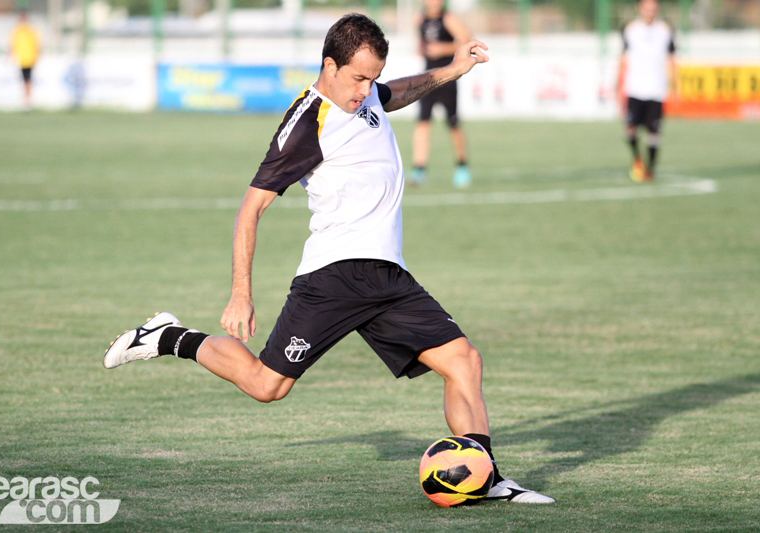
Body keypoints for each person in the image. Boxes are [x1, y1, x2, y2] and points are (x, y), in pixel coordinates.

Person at [103, 13, 554, 504]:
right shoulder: (307, 121)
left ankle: (483, 476)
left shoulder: (366, 94)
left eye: (372, 77)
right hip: (333, 277)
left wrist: (452, 69)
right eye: (359, 77)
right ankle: (169, 336)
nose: (366, 89)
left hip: (387, 273)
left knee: (463, 361)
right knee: (266, 385)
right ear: (329, 65)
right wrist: (240, 293)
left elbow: (395, 94)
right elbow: (251, 207)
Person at [409, 0, 473, 189]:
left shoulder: (449, 19)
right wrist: (421, 48)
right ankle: (419, 168)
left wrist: (443, 48)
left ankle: (462, 166)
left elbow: (466, 40)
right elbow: (421, 43)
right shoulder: (419, 19)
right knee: (422, 123)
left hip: (447, 78)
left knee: (453, 123)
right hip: (427, 78)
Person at [616, 0, 677, 183]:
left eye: (653, 8)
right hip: (635, 88)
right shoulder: (630, 30)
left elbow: (672, 58)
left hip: (656, 89)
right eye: (647, 7)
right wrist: (618, 86)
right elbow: (623, 58)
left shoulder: (665, 30)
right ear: (640, 9)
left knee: (654, 132)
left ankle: (650, 168)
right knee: (630, 129)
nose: (650, 11)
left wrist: (675, 85)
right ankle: (637, 158)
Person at [10, 10, 40, 110]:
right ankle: (25, 102)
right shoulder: (17, 31)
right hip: (20, 60)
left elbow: (37, 45)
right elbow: (13, 46)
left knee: (27, 82)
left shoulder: (30, 31)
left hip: (29, 60)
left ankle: (27, 103)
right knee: (24, 82)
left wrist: (37, 57)